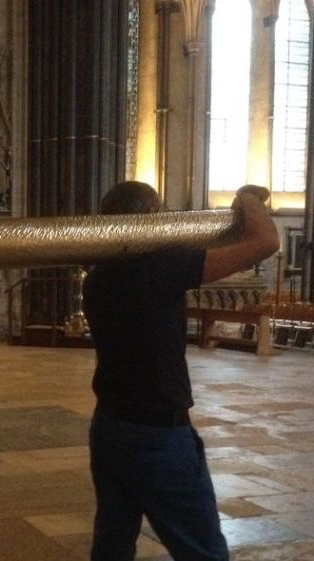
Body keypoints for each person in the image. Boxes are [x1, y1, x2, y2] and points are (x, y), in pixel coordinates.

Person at [82, 181, 279, 561]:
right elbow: (265, 241)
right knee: (202, 550)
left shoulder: (99, 274)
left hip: (109, 426)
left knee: (113, 542)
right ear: (151, 218)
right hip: (156, 434)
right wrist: (248, 198)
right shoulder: (159, 264)